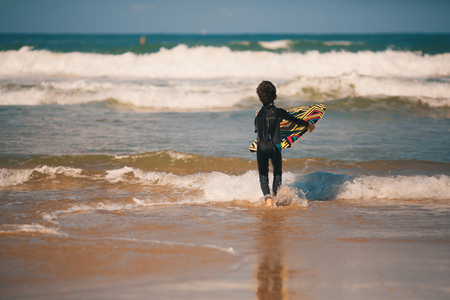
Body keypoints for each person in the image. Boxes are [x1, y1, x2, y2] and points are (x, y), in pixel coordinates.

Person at [254, 81, 315, 207]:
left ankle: (267, 200)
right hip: (274, 147)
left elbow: (257, 129)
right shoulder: (279, 112)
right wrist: (308, 125)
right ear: (275, 96)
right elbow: (295, 121)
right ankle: (274, 197)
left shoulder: (257, 114)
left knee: (263, 176)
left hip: (260, 147)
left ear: (259, 98)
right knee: (277, 172)